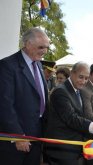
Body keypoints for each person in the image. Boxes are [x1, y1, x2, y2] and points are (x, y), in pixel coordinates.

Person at [0, 27, 49, 165]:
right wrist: (17, 136)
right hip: (17, 137)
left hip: (37, 133)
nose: (44, 51)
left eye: (47, 47)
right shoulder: (7, 66)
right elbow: (4, 105)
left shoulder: (38, 64)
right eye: (41, 47)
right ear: (27, 44)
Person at [45, 62, 93, 165]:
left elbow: (82, 115)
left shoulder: (78, 90)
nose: (83, 81)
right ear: (72, 73)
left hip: (73, 147)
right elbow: (71, 118)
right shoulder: (61, 91)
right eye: (81, 77)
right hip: (62, 149)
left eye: (86, 78)